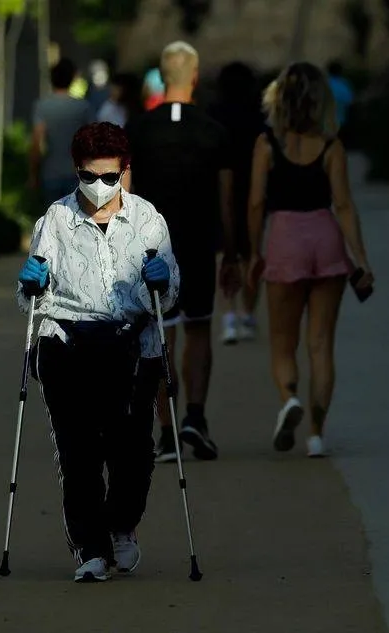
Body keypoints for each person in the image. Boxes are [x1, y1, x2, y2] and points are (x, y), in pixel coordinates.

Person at [16, 122, 180, 583]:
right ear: (77, 172)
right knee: (78, 451)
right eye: (90, 177)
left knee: (133, 451)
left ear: (124, 172)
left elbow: (168, 299)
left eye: (110, 177)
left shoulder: (149, 220)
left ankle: (121, 526)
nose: (99, 187)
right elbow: (30, 297)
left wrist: (161, 282)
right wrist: (31, 283)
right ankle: (90, 548)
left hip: (133, 346)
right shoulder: (55, 221)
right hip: (67, 343)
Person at [246, 62, 374, 458]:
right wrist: (361, 259)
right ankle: (317, 434)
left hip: (285, 241)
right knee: (321, 345)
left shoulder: (266, 144)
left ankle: (289, 399)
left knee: (283, 343)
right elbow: (344, 205)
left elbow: (255, 202)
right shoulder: (331, 146)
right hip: (326, 240)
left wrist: (254, 252)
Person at [126, 41, 239, 464]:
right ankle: (196, 416)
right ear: (194, 75)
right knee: (198, 329)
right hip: (198, 244)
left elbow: (125, 192)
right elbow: (227, 197)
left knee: (159, 336)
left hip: (151, 251)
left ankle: (166, 431)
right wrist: (232, 250)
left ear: (161, 75)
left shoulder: (137, 131)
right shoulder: (213, 132)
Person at [208, 61, 267, 344]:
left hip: (221, 191)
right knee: (252, 253)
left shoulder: (213, 115)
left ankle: (229, 315)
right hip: (254, 187)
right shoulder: (259, 117)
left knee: (225, 252)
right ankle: (248, 313)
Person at [29, 58, 95, 208]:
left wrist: (33, 174)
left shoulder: (42, 106)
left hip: (50, 172)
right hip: (77, 174)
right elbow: (92, 142)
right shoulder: (83, 107)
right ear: (72, 78)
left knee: (53, 223)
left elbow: (36, 143)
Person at [327, 60, 354, 129]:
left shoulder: (324, 84)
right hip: (341, 122)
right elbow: (350, 102)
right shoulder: (344, 85)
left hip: (326, 122)